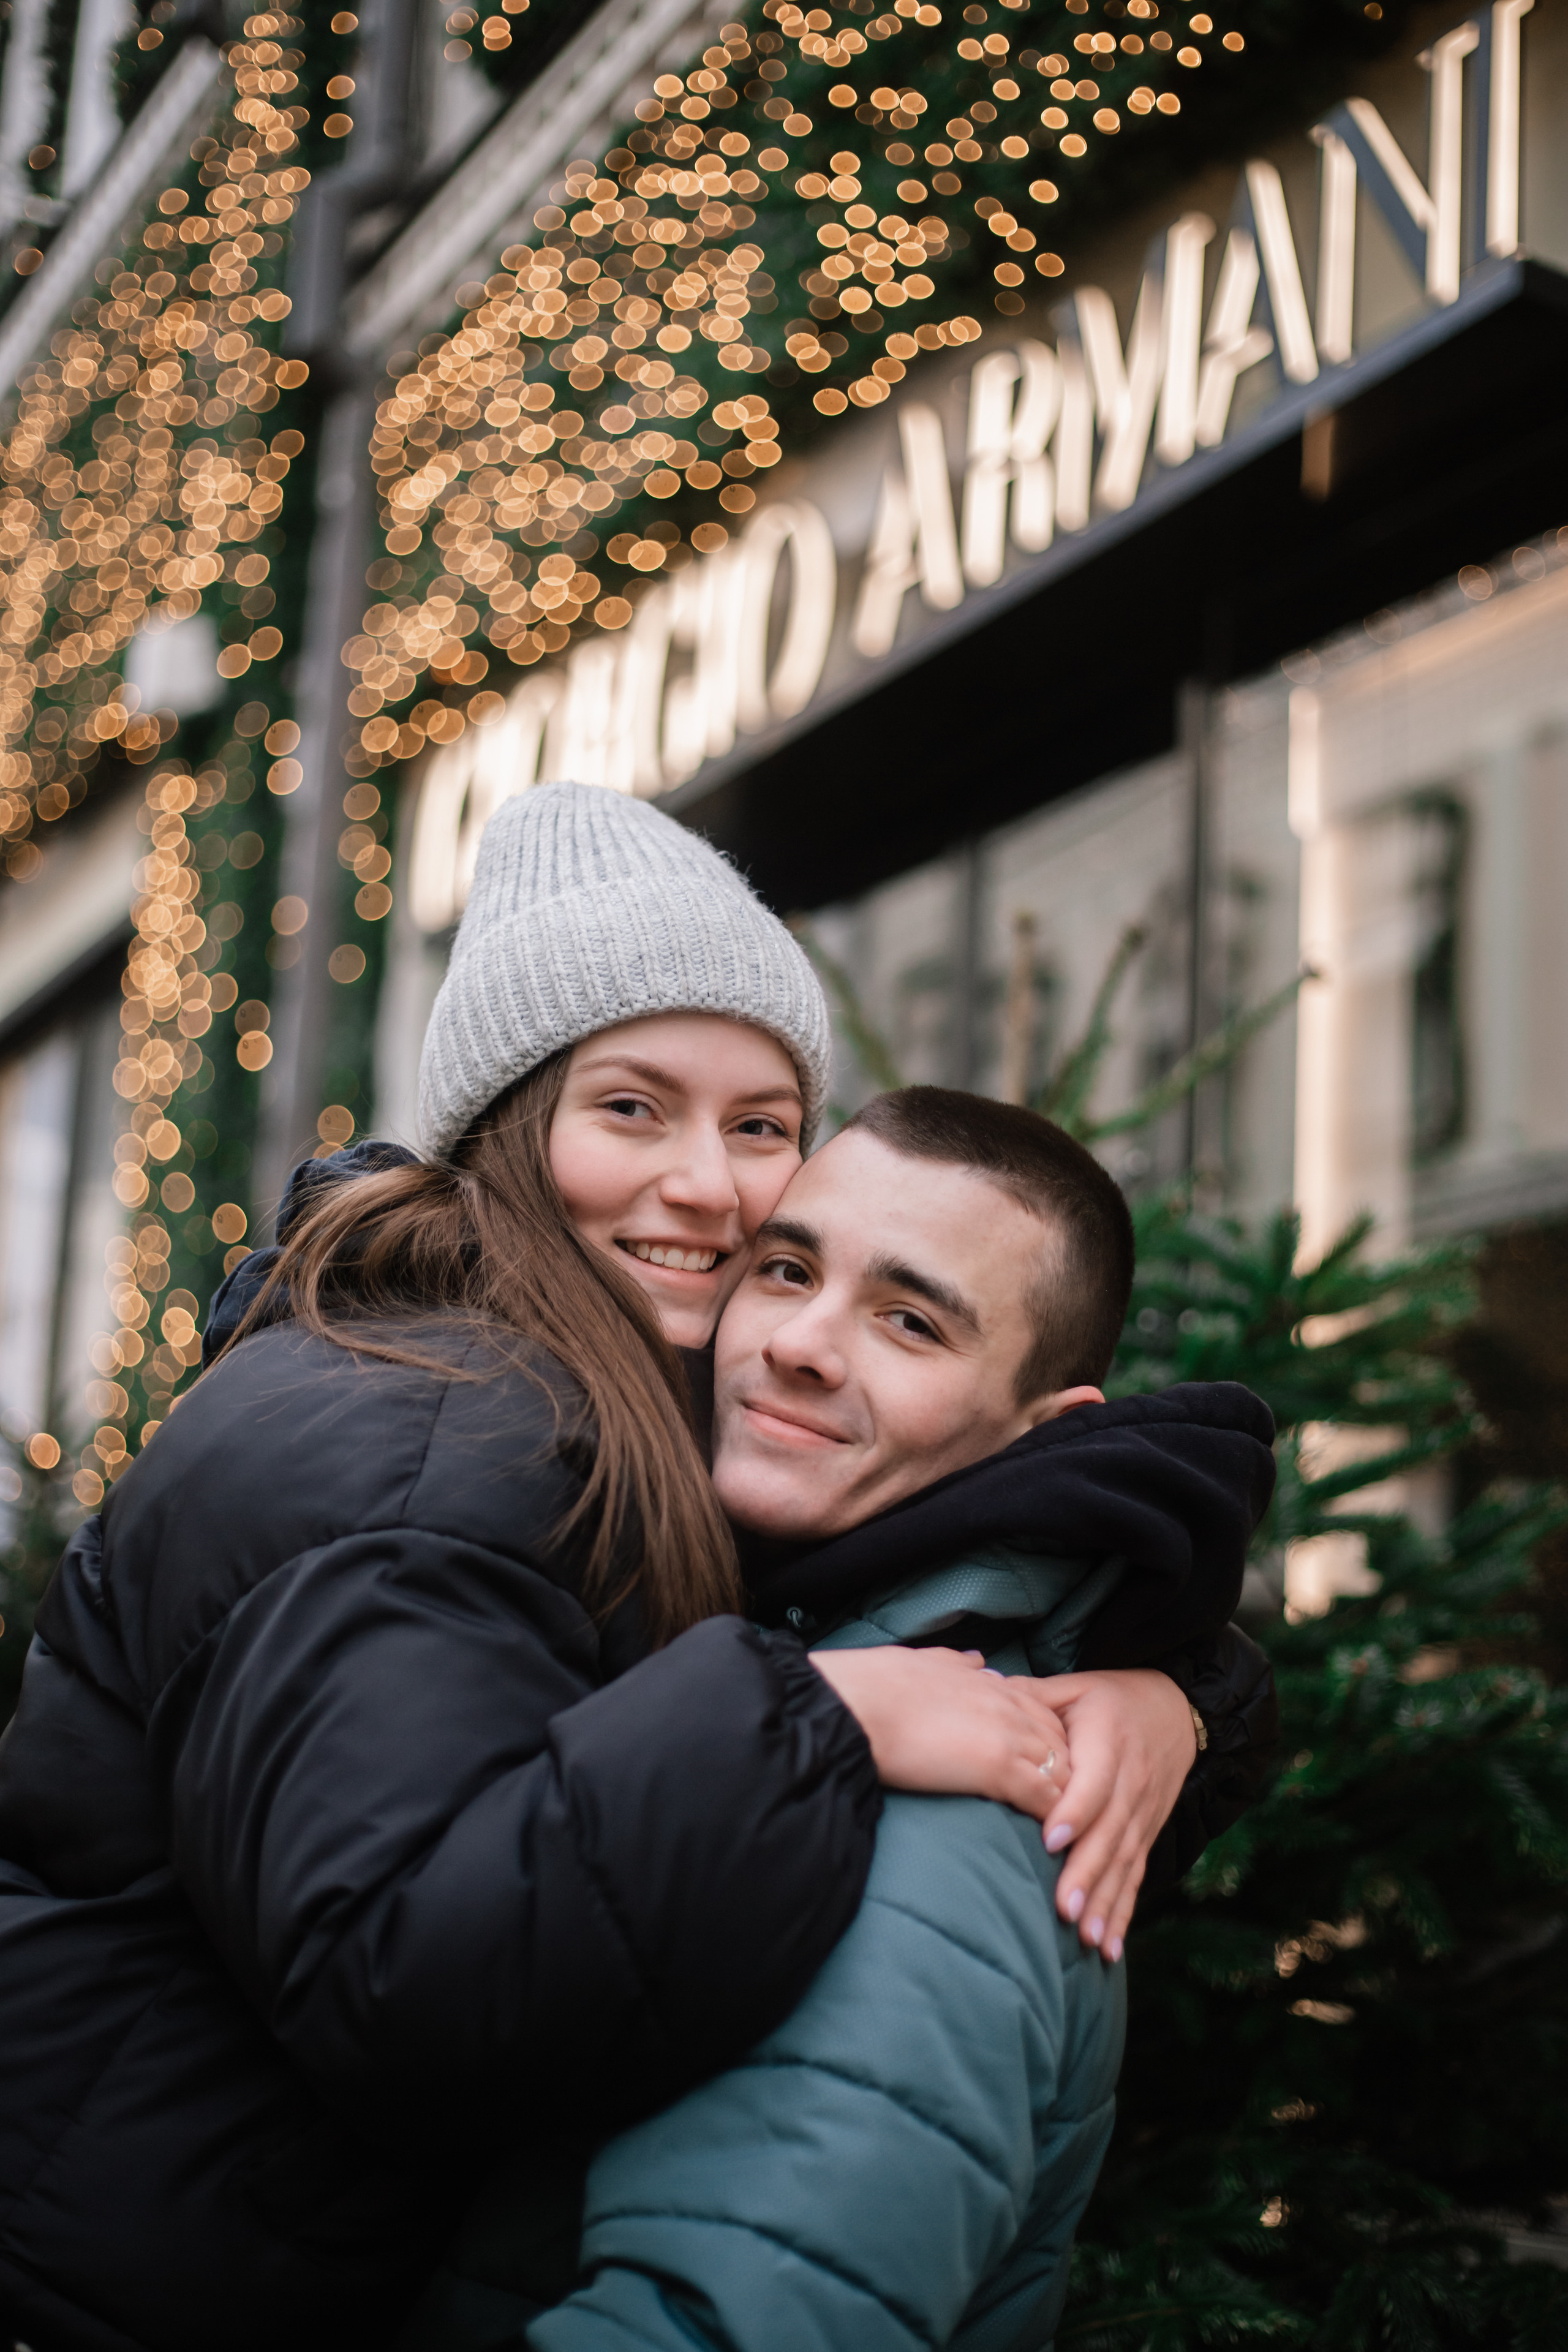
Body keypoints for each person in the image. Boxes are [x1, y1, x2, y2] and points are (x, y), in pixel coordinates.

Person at [0, 786, 1264, 2352]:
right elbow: (402, 1974)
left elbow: (884, 1556)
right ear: (507, 1129)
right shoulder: (428, 1431)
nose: (711, 1189)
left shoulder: (614, 1393)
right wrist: (813, 1720)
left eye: (760, 1129)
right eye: (631, 1109)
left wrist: (1169, 1690)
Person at [402, 1090, 1278, 2352]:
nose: (804, 1343)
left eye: (909, 1322)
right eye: (787, 1268)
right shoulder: (739, 1628)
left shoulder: (949, 1800)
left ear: (1040, 1436)